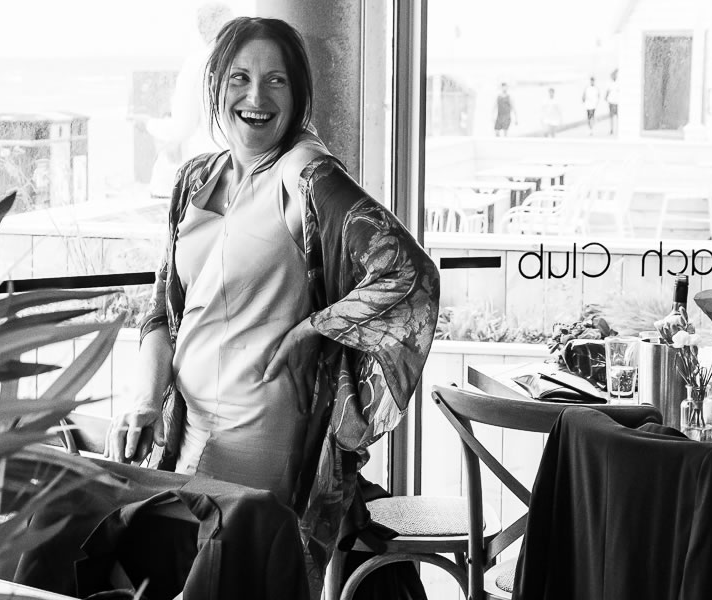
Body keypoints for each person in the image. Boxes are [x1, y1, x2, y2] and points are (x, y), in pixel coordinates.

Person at [104, 16, 439, 596]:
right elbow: (160, 311)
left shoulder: (303, 174)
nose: (256, 97)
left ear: (298, 94)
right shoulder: (193, 179)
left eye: (276, 80)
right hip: (182, 440)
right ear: (216, 85)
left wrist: (317, 328)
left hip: (262, 446)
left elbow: (409, 273)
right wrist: (143, 402)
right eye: (240, 77)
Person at [145, 2, 234, 197]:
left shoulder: (197, 63)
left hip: (210, 171)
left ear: (202, 30)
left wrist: (149, 125)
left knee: (164, 173)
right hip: (244, 167)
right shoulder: (245, 59)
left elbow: (182, 127)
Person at [605, 69, 619, 135]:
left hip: (617, 102)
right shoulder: (610, 83)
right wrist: (606, 97)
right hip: (611, 102)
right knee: (611, 117)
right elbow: (607, 92)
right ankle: (611, 129)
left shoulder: (618, 83)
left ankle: (618, 129)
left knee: (618, 117)